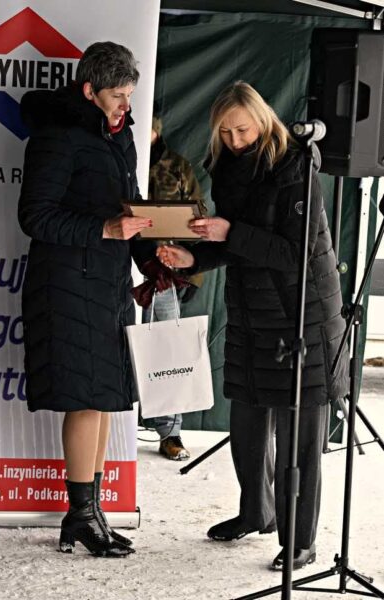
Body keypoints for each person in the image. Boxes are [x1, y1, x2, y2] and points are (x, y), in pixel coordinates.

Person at [157, 81, 349, 570]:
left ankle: (300, 539)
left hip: (301, 314)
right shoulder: (226, 165)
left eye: (242, 130)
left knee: (299, 438)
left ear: (263, 122)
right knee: (246, 425)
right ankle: (255, 513)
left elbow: (294, 254)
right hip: (251, 311)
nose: (235, 139)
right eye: (225, 132)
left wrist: (230, 231)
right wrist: (194, 258)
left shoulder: (297, 166)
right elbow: (237, 245)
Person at [17, 41, 154, 557]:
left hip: (108, 282)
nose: (125, 105)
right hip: (67, 285)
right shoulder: (57, 135)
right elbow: (35, 216)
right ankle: (80, 514)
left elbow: (128, 211)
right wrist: (104, 229)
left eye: (130, 95)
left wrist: (154, 258)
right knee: (85, 397)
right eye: (117, 95)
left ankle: (91, 512)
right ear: (90, 90)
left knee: (105, 398)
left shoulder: (120, 136)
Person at [143, 107, 207, 461]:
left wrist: (193, 273)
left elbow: (198, 221)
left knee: (167, 350)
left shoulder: (177, 167)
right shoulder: (114, 159)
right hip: (115, 268)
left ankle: (170, 433)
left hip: (163, 274)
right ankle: (110, 432)